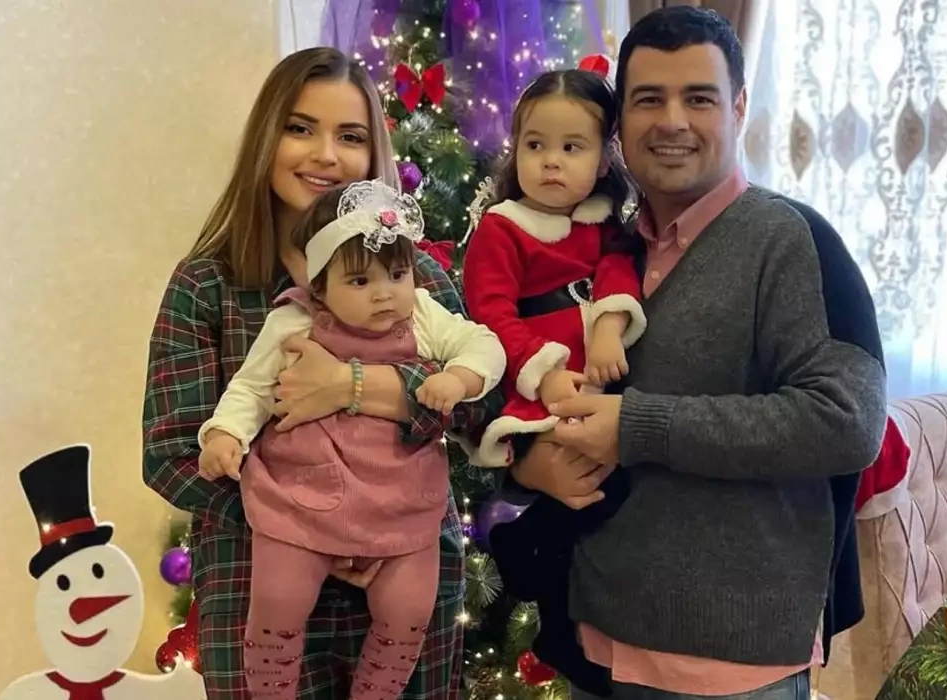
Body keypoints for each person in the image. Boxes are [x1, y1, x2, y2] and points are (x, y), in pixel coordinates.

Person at [503, 7, 888, 699]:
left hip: (730, 664)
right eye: (649, 99)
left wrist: (639, 426)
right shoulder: (600, 249)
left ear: (738, 108)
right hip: (594, 636)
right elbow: (505, 369)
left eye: (699, 98)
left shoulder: (791, 241)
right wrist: (526, 463)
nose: (672, 121)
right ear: (620, 122)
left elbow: (847, 421)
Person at [142, 47, 502, 700]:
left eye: (351, 136)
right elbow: (169, 453)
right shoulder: (208, 284)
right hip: (258, 580)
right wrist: (310, 524)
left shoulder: (415, 275)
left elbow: (482, 408)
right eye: (301, 128)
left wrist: (365, 388)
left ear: (374, 155)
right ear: (266, 138)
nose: (326, 155)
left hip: (406, 570)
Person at [197, 179, 505, 700]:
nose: (385, 293)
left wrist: (458, 378)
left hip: (400, 500)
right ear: (319, 287)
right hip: (301, 497)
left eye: (398, 274)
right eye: (360, 281)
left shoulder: (423, 314)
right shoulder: (293, 320)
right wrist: (225, 433)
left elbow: (486, 346)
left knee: (409, 610)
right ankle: (271, 689)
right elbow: (251, 387)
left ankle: (376, 691)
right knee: (278, 599)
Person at [463, 69, 646, 468]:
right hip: (540, 386)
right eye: (535, 145)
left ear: (604, 160)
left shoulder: (602, 223)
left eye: (571, 147)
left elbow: (616, 269)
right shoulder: (502, 228)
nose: (550, 161)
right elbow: (491, 315)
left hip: (608, 385)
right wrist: (545, 374)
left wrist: (609, 326)